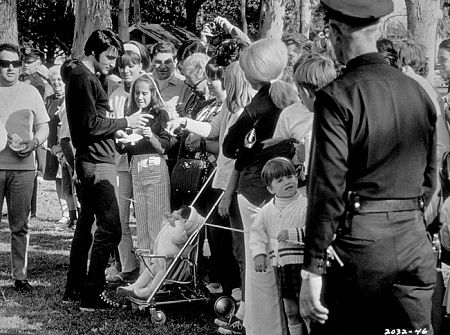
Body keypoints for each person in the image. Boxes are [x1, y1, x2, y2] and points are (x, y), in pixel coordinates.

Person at [299, 1, 437, 334]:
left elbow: (327, 188)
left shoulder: (337, 96)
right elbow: (429, 178)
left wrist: (312, 269)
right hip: (413, 238)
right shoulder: (417, 92)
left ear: (335, 32)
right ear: (377, 29)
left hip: (360, 245)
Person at [61, 29, 151, 311]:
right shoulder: (83, 77)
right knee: (110, 227)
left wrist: (116, 135)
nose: (112, 63)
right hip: (97, 163)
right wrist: (126, 122)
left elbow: (94, 124)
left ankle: (75, 288)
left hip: (94, 158)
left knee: (86, 227)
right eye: (109, 56)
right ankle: (92, 293)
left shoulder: (83, 76)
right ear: (93, 51)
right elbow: (91, 124)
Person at [167, 61, 253, 326]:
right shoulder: (228, 107)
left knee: (242, 249)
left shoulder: (247, 111)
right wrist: (187, 124)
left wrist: (228, 192)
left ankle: (246, 308)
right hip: (221, 180)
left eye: (225, 80)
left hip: (234, 185)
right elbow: (213, 132)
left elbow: (235, 153)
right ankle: (235, 300)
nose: (222, 84)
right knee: (225, 242)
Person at [222, 38, 299, 335]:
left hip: (256, 185)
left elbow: (230, 146)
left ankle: (262, 327)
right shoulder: (294, 99)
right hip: (288, 182)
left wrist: (249, 152)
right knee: (286, 259)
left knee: (260, 260)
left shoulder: (256, 107)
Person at [0, 43, 49, 292]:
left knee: (20, 225)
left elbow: (43, 126)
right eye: (4, 63)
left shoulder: (31, 92)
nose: (10, 68)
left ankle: (20, 277)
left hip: (23, 168)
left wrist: (34, 142)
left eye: (15, 64)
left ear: (21, 66)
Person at [117, 73, 174, 254]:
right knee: (141, 223)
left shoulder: (160, 114)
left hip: (154, 166)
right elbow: (121, 148)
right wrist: (122, 137)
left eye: (144, 94)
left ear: (152, 94)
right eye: (136, 94)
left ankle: (159, 273)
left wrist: (151, 136)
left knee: (157, 222)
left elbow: (165, 147)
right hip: (136, 167)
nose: (140, 98)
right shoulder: (131, 115)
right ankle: (144, 272)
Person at [250, 157, 308, 335]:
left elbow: (319, 231)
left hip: (305, 266)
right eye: (280, 180)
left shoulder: (306, 204)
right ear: (270, 188)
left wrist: (294, 234)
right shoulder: (267, 210)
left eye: (290, 176)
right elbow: (256, 235)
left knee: (307, 309)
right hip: (282, 268)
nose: (287, 182)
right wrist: (259, 254)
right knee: (290, 310)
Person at [106, 42, 148, 283]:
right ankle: (128, 265)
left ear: (140, 66)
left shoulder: (147, 89)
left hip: (145, 161)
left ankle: (147, 267)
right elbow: (111, 125)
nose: (126, 71)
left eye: (131, 66)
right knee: (119, 216)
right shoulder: (116, 95)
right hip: (121, 162)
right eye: (122, 67)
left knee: (144, 216)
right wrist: (119, 132)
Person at [116, 206, 203, 299]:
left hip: (171, 266)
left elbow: (177, 237)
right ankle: (135, 286)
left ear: (183, 221)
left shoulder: (181, 232)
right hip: (163, 262)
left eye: (177, 213)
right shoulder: (173, 227)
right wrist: (167, 221)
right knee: (149, 271)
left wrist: (178, 223)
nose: (174, 211)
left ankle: (148, 292)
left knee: (159, 275)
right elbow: (164, 232)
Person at [274, 53, 337, 179]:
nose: (298, 94)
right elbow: (276, 156)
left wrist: (305, 157)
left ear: (306, 92)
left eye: (300, 89)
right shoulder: (289, 114)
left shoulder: (342, 117)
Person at [44, 65, 78, 226]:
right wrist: (54, 148)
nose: (56, 83)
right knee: (61, 181)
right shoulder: (49, 100)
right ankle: (67, 213)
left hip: (69, 145)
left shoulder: (71, 98)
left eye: (59, 79)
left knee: (73, 181)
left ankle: (76, 213)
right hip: (55, 146)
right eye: (53, 80)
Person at [20, 48, 47, 219]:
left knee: (32, 170)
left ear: (38, 64)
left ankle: (31, 208)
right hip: (20, 127)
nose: (25, 65)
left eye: (29, 62)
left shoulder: (37, 83)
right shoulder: (21, 79)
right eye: (24, 61)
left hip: (33, 129)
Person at [150, 41, 190, 120]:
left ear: (175, 62)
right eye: (158, 62)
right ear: (152, 61)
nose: (162, 66)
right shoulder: (144, 82)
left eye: (167, 62)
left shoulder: (185, 85)